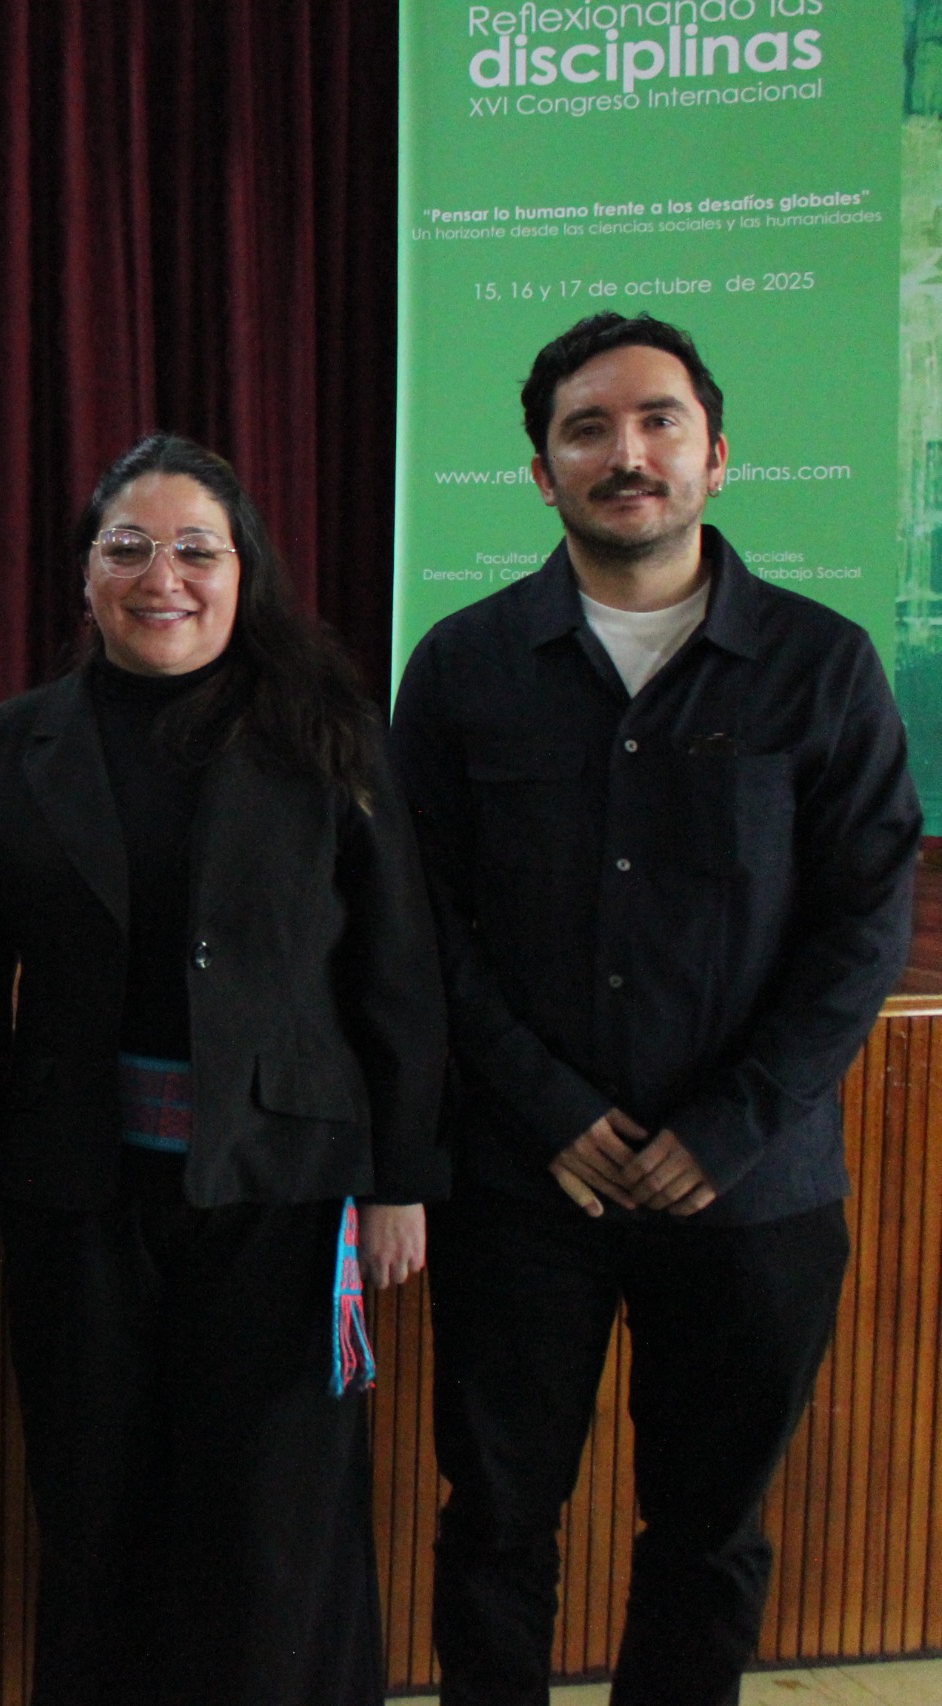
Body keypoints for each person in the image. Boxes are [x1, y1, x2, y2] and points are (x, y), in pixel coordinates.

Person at [392, 312, 920, 1705]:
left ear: (716, 454)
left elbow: (864, 922)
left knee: (706, 1534)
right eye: (587, 430)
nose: (626, 454)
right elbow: (421, 921)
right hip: (521, 1187)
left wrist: (729, 1126)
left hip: (753, 1201)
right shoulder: (460, 666)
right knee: (498, 1522)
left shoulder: (822, 666)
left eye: (657, 421)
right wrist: (554, 1110)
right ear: (541, 472)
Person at [0, 432, 446, 1704]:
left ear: (245, 572)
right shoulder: (9, 748)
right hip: (79, 1194)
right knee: (96, 1505)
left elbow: (395, 969)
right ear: (83, 576)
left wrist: (400, 1177)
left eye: (195, 548)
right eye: (127, 547)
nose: (160, 575)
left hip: (285, 1192)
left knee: (274, 1526)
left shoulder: (327, 734)